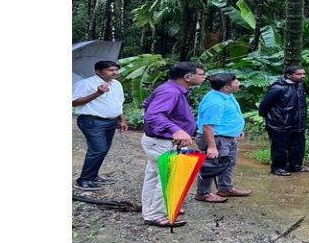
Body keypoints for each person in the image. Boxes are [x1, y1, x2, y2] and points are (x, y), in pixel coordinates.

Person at [140, 62, 207, 228]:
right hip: (162, 142)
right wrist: (175, 130)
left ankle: (151, 210)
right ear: (188, 77)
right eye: (201, 74)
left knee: (155, 176)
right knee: (168, 179)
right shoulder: (170, 91)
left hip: (159, 140)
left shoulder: (171, 89)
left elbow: (146, 105)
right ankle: (157, 215)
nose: (204, 77)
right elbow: (153, 115)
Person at [194, 73, 252, 203]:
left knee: (228, 163)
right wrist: (212, 146)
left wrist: (237, 129)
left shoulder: (226, 95)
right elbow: (207, 126)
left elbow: (230, 115)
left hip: (227, 137)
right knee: (211, 165)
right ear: (226, 87)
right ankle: (203, 193)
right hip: (216, 138)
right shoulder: (215, 102)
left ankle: (225, 188)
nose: (238, 82)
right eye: (235, 81)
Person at [72, 60, 129, 191]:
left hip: (111, 121)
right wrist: (97, 93)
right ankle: (84, 180)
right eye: (111, 70)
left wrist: (122, 120)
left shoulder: (117, 84)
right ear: (98, 71)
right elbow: (74, 102)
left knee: (103, 150)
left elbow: (118, 103)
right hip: (92, 121)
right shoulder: (86, 84)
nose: (115, 72)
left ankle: (93, 176)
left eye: (116, 70)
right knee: (98, 149)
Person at [258, 65, 308, 176]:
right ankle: (278, 168)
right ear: (289, 75)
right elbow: (264, 106)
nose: (302, 76)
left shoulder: (299, 86)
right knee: (279, 148)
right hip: (279, 124)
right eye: (299, 74)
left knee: (298, 146)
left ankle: (295, 166)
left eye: (303, 74)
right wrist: (270, 119)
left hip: (297, 123)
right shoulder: (278, 88)